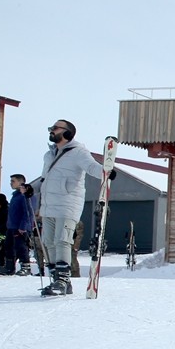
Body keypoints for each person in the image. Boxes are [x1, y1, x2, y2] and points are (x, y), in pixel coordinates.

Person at [38, 120, 111, 295]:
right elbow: (44, 179)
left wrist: (106, 171)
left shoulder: (78, 152)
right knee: (48, 242)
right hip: (48, 206)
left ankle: (62, 281)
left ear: (68, 133)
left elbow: (91, 166)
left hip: (67, 204)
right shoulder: (49, 155)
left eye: (55, 128)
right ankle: (58, 280)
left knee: (62, 240)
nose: (51, 131)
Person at [6, 175, 36, 275]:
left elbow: (28, 211)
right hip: (12, 226)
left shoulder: (26, 195)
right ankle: (9, 267)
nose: (11, 183)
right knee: (9, 247)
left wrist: (24, 226)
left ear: (20, 182)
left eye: (13, 181)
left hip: (20, 227)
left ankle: (25, 267)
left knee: (21, 247)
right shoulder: (15, 196)